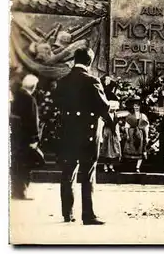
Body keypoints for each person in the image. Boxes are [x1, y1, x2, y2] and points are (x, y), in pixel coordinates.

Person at [53, 47, 109, 225]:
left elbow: (56, 103)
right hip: (88, 133)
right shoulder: (92, 80)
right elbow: (103, 106)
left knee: (68, 172)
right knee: (88, 173)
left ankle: (67, 214)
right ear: (89, 62)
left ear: (75, 59)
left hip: (68, 133)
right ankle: (88, 215)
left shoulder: (62, 81)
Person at [10, 74, 43, 200]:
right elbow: (33, 121)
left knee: (16, 165)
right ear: (33, 87)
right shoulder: (30, 100)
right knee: (25, 166)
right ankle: (22, 192)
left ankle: (16, 191)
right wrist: (34, 139)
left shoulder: (16, 97)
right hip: (26, 139)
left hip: (15, 138)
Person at [122, 98, 149, 173]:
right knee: (130, 149)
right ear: (133, 107)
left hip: (140, 134)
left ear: (140, 107)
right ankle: (130, 167)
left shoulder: (143, 116)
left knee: (140, 150)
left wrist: (146, 136)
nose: (136, 108)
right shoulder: (130, 116)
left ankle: (137, 167)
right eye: (135, 106)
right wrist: (127, 135)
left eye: (138, 106)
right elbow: (126, 126)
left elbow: (146, 127)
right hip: (131, 134)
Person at [97, 101, 121, 173]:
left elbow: (117, 126)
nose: (113, 109)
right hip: (106, 133)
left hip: (113, 133)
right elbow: (101, 126)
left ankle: (111, 165)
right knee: (106, 150)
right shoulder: (104, 115)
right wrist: (101, 136)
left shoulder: (116, 115)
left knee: (113, 150)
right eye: (111, 107)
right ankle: (105, 165)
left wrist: (118, 135)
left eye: (114, 108)